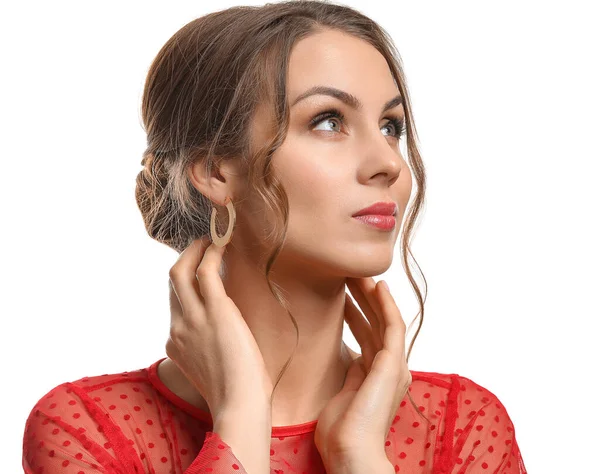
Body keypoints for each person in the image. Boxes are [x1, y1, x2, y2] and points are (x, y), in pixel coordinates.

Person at [21, 1, 527, 473]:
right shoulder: (89, 428)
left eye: (391, 126)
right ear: (217, 171)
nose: (389, 164)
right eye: (329, 121)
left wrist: (361, 458)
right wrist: (239, 420)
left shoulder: (462, 425)